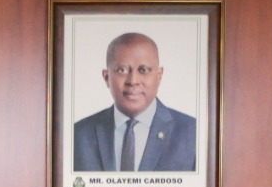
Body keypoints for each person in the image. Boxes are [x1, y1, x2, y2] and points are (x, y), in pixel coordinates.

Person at [73, 31, 197, 173]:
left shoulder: (193, 133)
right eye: (122, 70)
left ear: (159, 76)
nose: (133, 81)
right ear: (106, 77)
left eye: (143, 70)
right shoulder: (78, 135)